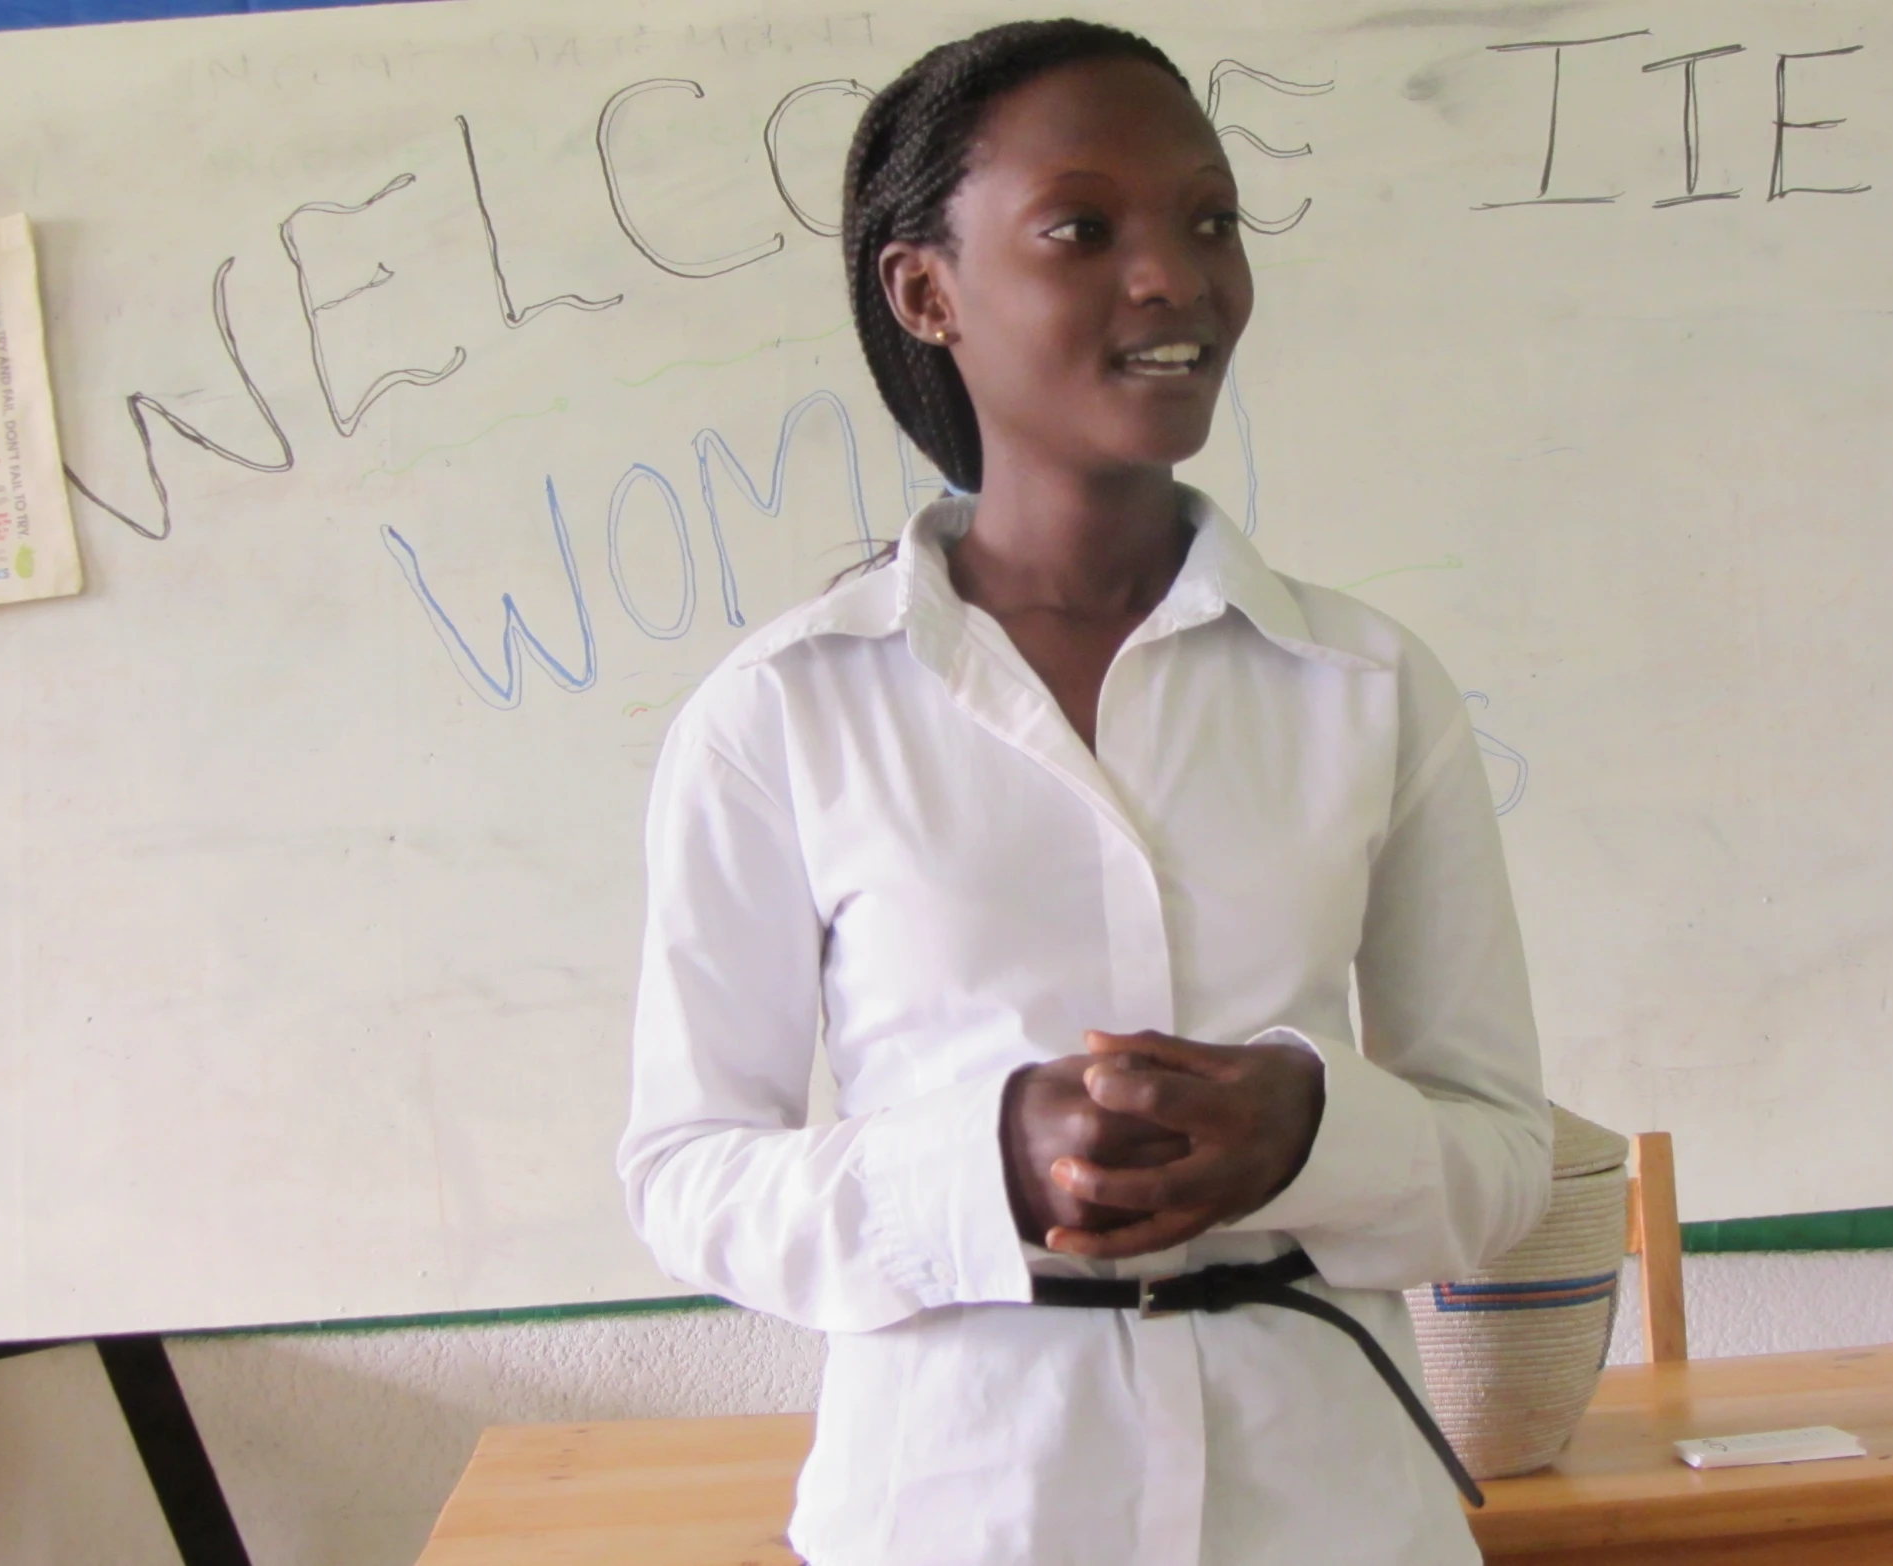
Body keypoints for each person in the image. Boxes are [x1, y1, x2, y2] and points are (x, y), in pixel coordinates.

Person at [618, 19, 1551, 1565]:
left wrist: (1307, 1128)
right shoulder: (782, 713)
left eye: (1208, 221)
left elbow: (1500, 1155)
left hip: (1328, 1515)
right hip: (963, 1512)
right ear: (925, 290)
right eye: (1082, 228)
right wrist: (983, 1154)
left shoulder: (1367, 685)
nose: (1173, 277)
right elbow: (689, 1176)